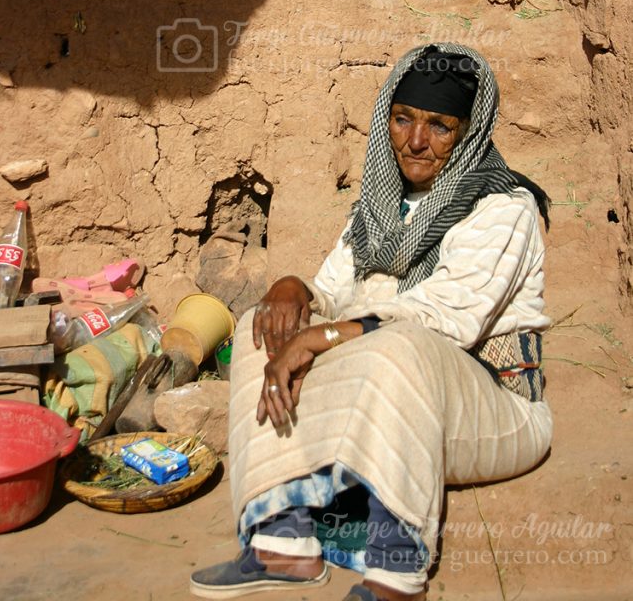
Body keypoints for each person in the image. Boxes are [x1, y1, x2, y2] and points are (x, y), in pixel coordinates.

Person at [190, 43, 552, 601]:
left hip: (488, 412)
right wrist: (294, 289)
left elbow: (446, 317)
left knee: (401, 345)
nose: (415, 141)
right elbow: (332, 294)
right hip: (387, 400)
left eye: (439, 126)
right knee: (260, 329)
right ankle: (281, 542)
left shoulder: (505, 208)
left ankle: (395, 571)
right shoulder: (377, 209)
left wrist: (324, 335)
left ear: (470, 131)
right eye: (403, 119)